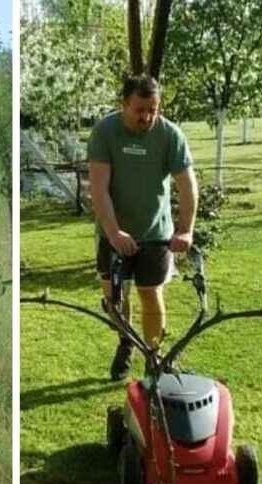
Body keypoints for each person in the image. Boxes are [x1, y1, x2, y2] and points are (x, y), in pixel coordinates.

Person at [87, 74, 199, 381]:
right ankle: (126, 342)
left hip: (156, 234)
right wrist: (113, 233)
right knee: (115, 301)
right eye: (140, 109)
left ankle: (154, 356)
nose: (147, 117)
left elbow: (187, 186)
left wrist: (185, 230)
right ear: (124, 104)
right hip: (114, 232)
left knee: (150, 293)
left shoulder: (169, 135)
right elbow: (99, 188)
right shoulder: (105, 133)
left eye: (153, 109)